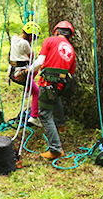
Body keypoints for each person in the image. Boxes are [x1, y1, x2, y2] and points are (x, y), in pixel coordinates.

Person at [28, 21, 76, 160]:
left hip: (47, 83)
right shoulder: (71, 49)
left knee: (44, 114)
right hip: (60, 85)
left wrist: (28, 70)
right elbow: (70, 73)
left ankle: (55, 149)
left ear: (56, 31)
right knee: (56, 98)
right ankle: (61, 125)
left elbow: (39, 61)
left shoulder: (49, 40)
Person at [8, 21, 42, 127]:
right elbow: (31, 57)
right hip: (21, 74)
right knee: (37, 92)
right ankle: (34, 117)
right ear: (31, 36)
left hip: (12, 71)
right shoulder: (25, 43)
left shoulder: (14, 38)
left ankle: (27, 89)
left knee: (35, 70)